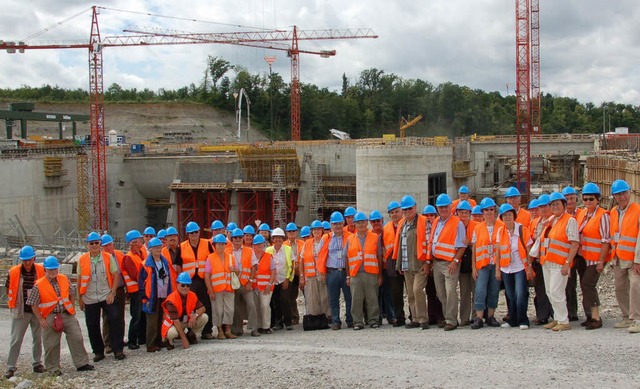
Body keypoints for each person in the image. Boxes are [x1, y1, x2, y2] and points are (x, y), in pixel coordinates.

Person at [27, 256, 94, 376]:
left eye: (55, 269)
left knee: (77, 337)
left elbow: (72, 293)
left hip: (66, 314)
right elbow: (33, 303)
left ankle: (82, 363)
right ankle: (53, 368)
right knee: (51, 343)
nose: (53, 272)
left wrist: (71, 308)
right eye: (50, 270)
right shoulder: (39, 285)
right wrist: (41, 319)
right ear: (45, 270)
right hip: (50, 316)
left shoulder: (64, 279)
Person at [77, 232, 125, 361]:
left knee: (114, 319)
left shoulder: (108, 257)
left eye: (96, 243)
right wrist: (80, 298)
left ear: (100, 244)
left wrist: (113, 292)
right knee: (92, 324)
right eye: (91, 243)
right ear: (87, 245)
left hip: (106, 294)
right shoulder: (82, 260)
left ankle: (117, 349)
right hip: (90, 296)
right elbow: (80, 280)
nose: (94, 245)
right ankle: (98, 351)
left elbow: (116, 275)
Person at [539, 192, 579, 332]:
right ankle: (557, 317)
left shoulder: (570, 220)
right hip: (548, 262)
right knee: (550, 291)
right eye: (553, 204)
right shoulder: (552, 220)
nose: (555, 207)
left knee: (557, 291)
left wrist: (568, 263)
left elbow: (574, 243)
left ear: (564, 205)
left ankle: (564, 320)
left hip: (560, 263)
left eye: (557, 204)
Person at [4, 245, 45, 379]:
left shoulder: (40, 270)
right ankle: (11, 367)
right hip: (21, 310)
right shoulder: (14, 272)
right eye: (25, 260)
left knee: (37, 338)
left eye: (29, 259)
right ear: (21, 260)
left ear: (34, 258)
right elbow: (8, 288)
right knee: (16, 339)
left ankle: (37, 363)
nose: (27, 262)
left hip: (37, 310)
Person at [428, 193, 467, 331]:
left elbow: (462, 245)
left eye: (445, 207)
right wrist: (431, 262)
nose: (443, 209)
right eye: (440, 207)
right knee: (441, 293)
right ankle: (447, 317)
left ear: (451, 207)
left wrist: (455, 261)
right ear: (437, 208)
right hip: (437, 263)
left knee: (450, 291)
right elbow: (433, 242)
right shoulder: (437, 222)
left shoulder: (458, 223)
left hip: (451, 263)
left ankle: (451, 320)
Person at [575, 183, 610, 330]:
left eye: (591, 199)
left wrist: (601, 261)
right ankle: (590, 316)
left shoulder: (603, 216)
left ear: (598, 200)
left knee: (588, 284)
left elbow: (605, 240)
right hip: (583, 258)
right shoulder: (582, 214)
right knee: (584, 285)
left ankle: (596, 317)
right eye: (585, 199)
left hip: (595, 259)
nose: (588, 201)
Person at [392, 195, 429, 330]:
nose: (407, 211)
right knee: (411, 294)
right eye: (405, 209)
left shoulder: (424, 222)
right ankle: (415, 319)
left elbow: (429, 243)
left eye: (410, 209)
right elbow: (400, 245)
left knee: (417, 290)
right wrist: (399, 264)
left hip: (419, 264)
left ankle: (423, 319)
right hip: (407, 264)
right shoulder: (402, 224)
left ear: (415, 207)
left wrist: (427, 262)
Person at [608, 179, 640, 333]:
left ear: (630, 192)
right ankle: (626, 316)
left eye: (624, 193)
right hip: (619, 256)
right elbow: (614, 235)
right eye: (618, 194)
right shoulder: (614, 212)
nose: (622, 197)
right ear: (614, 196)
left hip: (634, 257)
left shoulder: (637, 210)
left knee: (635, 286)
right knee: (620, 287)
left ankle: (637, 318)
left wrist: (638, 259)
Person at [496, 204, 533, 329]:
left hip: (520, 267)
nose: (507, 217)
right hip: (506, 268)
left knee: (520, 293)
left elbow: (529, 250)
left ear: (514, 216)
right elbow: (498, 253)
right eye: (505, 215)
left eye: (509, 215)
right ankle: (512, 319)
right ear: (501, 218)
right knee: (510, 294)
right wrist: (498, 270)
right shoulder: (500, 232)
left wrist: (529, 266)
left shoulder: (522, 230)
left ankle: (523, 320)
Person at [176, 221, 215, 339]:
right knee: (189, 306)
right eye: (191, 233)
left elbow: (213, 259)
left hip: (203, 280)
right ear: (188, 234)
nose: (194, 235)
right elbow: (178, 265)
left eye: (196, 232)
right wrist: (180, 282)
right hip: (189, 282)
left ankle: (207, 331)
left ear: (199, 232)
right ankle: (190, 331)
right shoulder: (182, 247)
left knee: (206, 304)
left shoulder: (207, 244)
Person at [470, 198, 504, 329]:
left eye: (491, 209)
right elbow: (474, 249)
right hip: (482, 265)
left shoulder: (501, 226)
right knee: (480, 290)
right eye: (486, 210)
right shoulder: (478, 228)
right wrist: (474, 267)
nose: (489, 212)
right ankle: (479, 318)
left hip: (496, 265)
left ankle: (490, 316)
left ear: (495, 211)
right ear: (482, 212)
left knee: (494, 291)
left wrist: (499, 267)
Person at [345, 212, 382, 329]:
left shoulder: (375, 237)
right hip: (355, 274)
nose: (360, 224)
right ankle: (357, 322)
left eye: (363, 222)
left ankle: (373, 320)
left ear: (367, 223)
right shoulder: (350, 239)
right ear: (354, 224)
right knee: (356, 299)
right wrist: (348, 276)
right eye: (358, 222)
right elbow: (346, 258)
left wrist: (380, 275)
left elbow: (379, 257)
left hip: (371, 273)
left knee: (372, 298)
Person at [139, 237, 175, 352]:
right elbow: (141, 283)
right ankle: (150, 344)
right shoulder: (146, 264)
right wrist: (144, 298)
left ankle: (159, 341)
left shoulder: (164, 262)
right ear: (150, 249)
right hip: (152, 296)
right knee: (152, 321)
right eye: (155, 247)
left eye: (159, 247)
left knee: (161, 319)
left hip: (163, 294)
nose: (158, 249)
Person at [161, 272, 208, 350]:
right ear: (177, 284)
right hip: (173, 324)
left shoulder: (192, 295)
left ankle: (190, 334)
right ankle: (168, 340)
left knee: (204, 317)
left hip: (185, 322)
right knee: (172, 333)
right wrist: (184, 339)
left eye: (188, 285)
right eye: (182, 285)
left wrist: (195, 316)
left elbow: (202, 308)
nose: (185, 287)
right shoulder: (171, 300)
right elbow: (175, 321)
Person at [325, 211, 353, 330]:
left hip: (346, 271)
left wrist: (351, 273)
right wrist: (322, 272)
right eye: (335, 224)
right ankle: (336, 321)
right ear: (331, 225)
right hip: (332, 272)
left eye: (339, 223)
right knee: (333, 298)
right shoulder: (325, 239)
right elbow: (321, 256)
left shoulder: (350, 237)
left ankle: (350, 319)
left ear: (343, 223)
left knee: (349, 297)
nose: (337, 226)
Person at [204, 234, 236, 338]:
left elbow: (237, 272)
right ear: (214, 245)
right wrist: (210, 291)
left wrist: (234, 270)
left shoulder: (231, 257)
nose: (221, 246)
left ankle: (228, 330)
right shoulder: (210, 258)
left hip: (229, 289)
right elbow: (207, 276)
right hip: (216, 290)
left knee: (229, 310)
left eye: (223, 244)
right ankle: (220, 331)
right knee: (218, 310)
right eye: (219, 244)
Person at [228, 228, 258, 336]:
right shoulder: (227, 251)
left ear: (243, 239)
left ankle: (253, 328)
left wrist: (250, 281)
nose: (238, 239)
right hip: (233, 284)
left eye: (240, 237)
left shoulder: (249, 251)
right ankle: (237, 329)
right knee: (235, 307)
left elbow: (254, 267)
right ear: (232, 239)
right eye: (235, 237)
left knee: (251, 305)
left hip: (246, 283)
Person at [100, 234, 126, 355]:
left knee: (120, 316)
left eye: (110, 244)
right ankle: (108, 343)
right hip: (108, 291)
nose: (108, 247)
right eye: (106, 246)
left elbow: (124, 271)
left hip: (120, 289)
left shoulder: (119, 254)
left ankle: (119, 340)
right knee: (107, 318)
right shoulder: (102, 258)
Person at [299, 220, 331, 320]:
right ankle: (314, 318)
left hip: (323, 274)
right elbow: (301, 260)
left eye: (318, 229)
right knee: (312, 298)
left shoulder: (326, 242)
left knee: (325, 297)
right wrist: (301, 277)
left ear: (322, 230)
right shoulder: (307, 243)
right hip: (310, 276)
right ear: (311, 231)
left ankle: (326, 317)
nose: (316, 231)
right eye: (314, 229)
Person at [530, 194, 554, 325]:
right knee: (540, 289)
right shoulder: (535, 222)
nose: (543, 209)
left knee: (553, 289)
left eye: (545, 206)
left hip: (552, 260)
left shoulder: (554, 221)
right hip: (538, 261)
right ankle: (542, 316)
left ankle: (556, 315)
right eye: (541, 207)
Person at [121, 230, 147, 349]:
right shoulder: (128, 258)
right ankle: (132, 341)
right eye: (140, 239)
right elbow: (135, 275)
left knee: (143, 314)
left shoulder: (142, 253)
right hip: (136, 291)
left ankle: (142, 338)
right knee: (136, 316)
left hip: (142, 289)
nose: (142, 241)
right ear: (134, 242)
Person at [370, 210, 395, 326]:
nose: (376, 223)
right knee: (376, 294)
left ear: (382, 221)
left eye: (378, 221)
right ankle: (378, 317)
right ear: (370, 222)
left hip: (386, 268)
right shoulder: (369, 236)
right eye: (373, 221)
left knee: (388, 294)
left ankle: (391, 316)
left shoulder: (387, 232)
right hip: (374, 269)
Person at [266, 228, 294, 331]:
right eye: (276, 238)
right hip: (274, 280)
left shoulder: (288, 249)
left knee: (286, 300)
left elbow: (291, 265)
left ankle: (288, 322)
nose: (278, 240)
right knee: (275, 302)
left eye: (280, 238)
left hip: (284, 279)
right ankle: (278, 322)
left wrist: (287, 279)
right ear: (272, 239)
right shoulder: (268, 250)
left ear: (283, 239)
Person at [382, 201, 406, 326]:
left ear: (401, 211)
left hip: (406, 259)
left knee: (412, 290)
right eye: (392, 212)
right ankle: (399, 317)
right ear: (389, 215)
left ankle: (415, 316)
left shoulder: (406, 224)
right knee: (396, 292)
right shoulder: (386, 228)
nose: (395, 214)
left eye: (397, 211)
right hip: (392, 262)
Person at [422, 204, 445, 327]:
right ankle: (432, 316)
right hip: (427, 263)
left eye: (432, 215)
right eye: (427, 215)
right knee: (430, 291)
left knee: (440, 291)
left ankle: (441, 316)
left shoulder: (439, 228)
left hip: (437, 263)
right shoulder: (422, 229)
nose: (429, 217)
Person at [455, 201, 477, 326]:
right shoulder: (455, 225)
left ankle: (474, 316)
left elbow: (480, 243)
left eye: (466, 212)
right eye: (461, 212)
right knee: (464, 292)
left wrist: (470, 243)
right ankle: (464, 318)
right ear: (457, 212)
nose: (463, 214)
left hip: (473, 263)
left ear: (470, 213)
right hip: (461, 264)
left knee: (475, 291)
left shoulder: (475, 225)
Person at [562, 186, 580, 322]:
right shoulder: (559, 217)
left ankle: (587, 313)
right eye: (567, 199)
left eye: (571, 198)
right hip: (565, 255)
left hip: (581, 255)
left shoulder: (582, 214)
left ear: (576, 199)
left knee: (583, 285)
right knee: (568, 284)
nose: (569, 201)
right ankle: (569, 312)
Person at [252, 235, 277, 335]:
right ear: (253, 245)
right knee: (256, 307)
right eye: (257, 244)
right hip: (254, 287)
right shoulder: (251, 256)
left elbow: (273, 271)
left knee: (265, 306)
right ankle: (258, 326)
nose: (259, 246)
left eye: (261, 244)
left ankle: (266, 326)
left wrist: (269, 284)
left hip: (266, 287)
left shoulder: (268, 256)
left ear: (264, 245)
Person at [284, 222, 303, 325]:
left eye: (293, 231)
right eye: (289, 231)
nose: (291, 233)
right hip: (290, 274)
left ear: (296, 232)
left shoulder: (302, 244)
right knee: (290, 297)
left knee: (307, 296)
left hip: (300, 272)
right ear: (286, 233)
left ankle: (311, 315)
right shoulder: (284, 245)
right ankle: (294, 317)